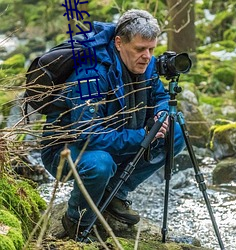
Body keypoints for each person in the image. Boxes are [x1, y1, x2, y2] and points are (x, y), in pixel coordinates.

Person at [41, 9, 185, 241]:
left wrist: (161, 114)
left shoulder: (145, 64)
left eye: (152, 49)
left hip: (117, 135)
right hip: (67, 150)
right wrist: (142, 135)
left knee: (175, 132)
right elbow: (88, 136)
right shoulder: (89, 75)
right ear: (119, 43)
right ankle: (76, 221)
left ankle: (115, 193)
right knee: (100, 164)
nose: (147, 56)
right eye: (140, 49)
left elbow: (159, 96)